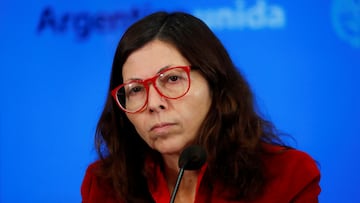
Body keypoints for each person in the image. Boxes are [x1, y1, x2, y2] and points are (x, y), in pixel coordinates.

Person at [81, 11, 321, 203]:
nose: (153, 103)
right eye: (135, 89)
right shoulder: (104, 185)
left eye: (172, 79)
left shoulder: (288, 176)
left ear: (215, 83)